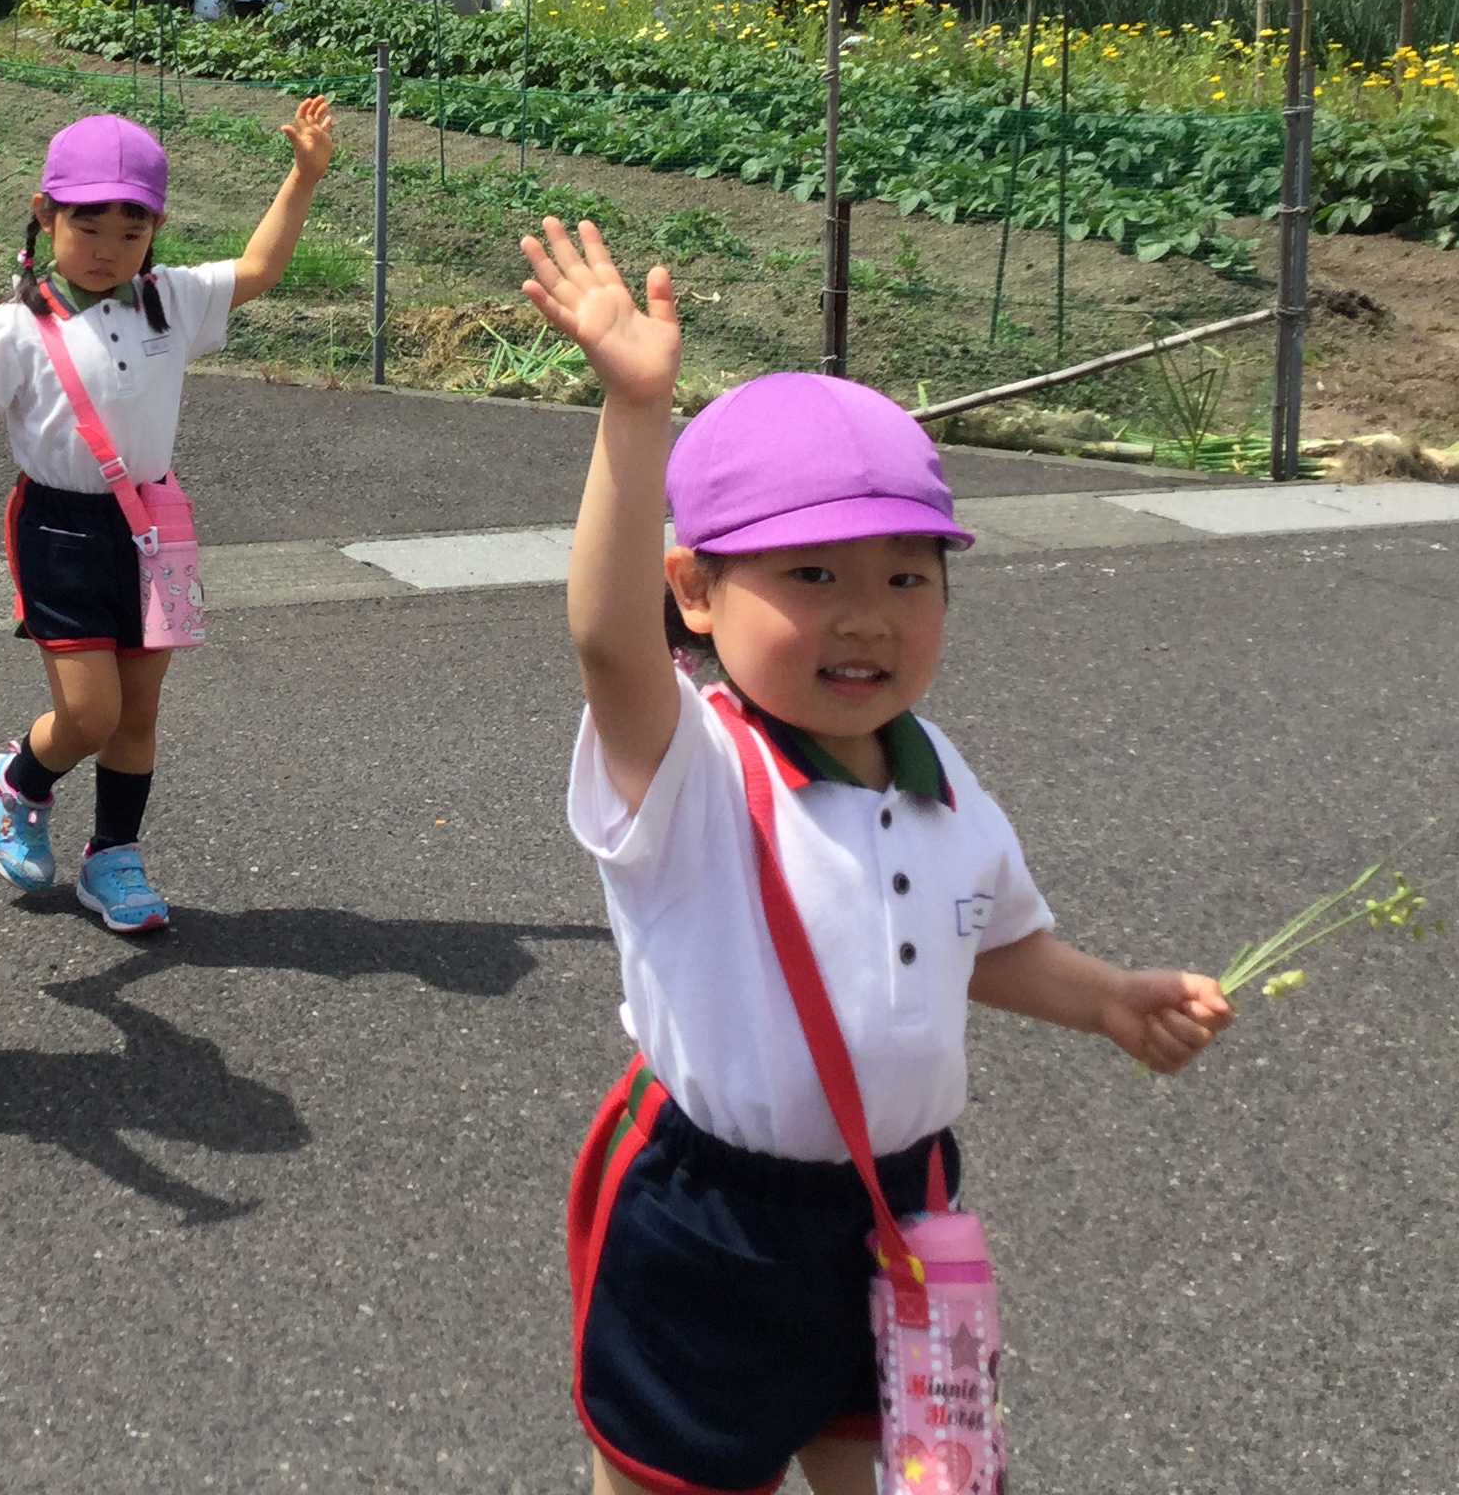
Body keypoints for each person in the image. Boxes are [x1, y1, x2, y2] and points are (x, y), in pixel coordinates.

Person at [521, 221, 1234, 1495]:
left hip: (900, 1210)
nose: (867, 615)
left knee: (910, 1475)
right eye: (810, 573)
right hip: (709, 1222)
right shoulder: (688, 767)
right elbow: (605, 642)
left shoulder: (936, 769)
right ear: (694, 590)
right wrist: (636, 413)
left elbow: (989, 940)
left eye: (909, 575)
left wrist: (1108, 998)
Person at [0, 104, 333, 935]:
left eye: (130, 227)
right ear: (45, 214)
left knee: (137, 713)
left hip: (156, 526)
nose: (108, 247)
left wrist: (304, 176)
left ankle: (113, 855)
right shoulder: (14, 328)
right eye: (88, 224)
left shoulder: (170, 303)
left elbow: (260, 266)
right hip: (59, 532)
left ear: (156, 229)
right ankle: (20, 782)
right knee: (89, 714)